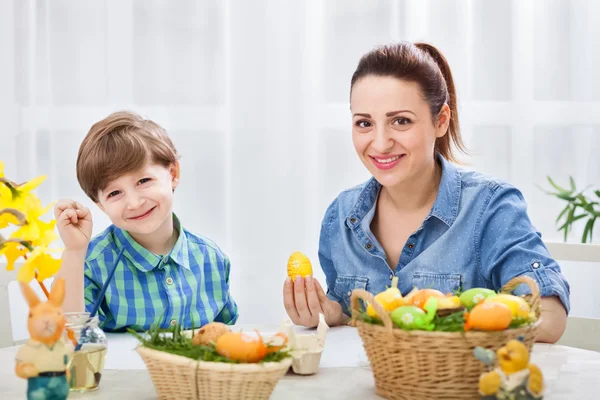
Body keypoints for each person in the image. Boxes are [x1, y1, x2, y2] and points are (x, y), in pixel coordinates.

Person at [283, 42, 569, 343]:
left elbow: (550, 317)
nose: (380, 144)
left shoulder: (490, 207)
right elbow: (355, 329)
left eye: (401, 121)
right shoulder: (340, 217)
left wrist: (457, 328)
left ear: (441, 121)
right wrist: (334, 314)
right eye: (364, 123)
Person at [54, 111, 238, 331]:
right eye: (114, 193)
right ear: (100, 205)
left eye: (143, 180)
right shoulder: (94, 263)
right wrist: (75, 251)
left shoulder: (211, 258)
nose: (133, 203)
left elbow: (226, 335)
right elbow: (67, 334)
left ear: (172, 174)